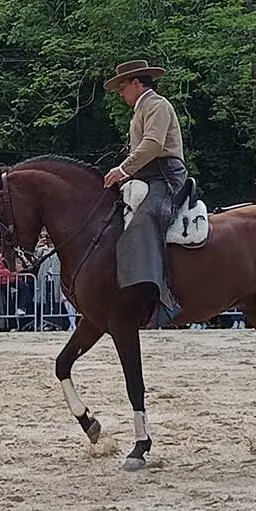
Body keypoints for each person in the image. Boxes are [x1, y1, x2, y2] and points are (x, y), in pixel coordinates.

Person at [102, 59, 188, 327]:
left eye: (123, 86)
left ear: (138, 83)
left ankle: (163, 299)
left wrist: (123, 169)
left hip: (166, 176)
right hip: (148, 176)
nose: (121, 92)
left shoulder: (157, 105)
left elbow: (153, 144)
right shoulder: (142, 109)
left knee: (145, 221)